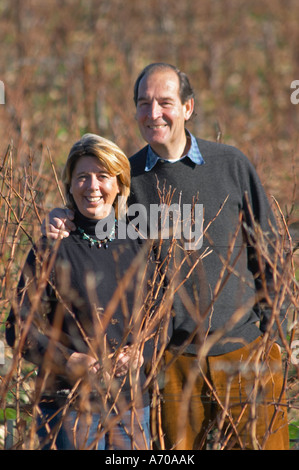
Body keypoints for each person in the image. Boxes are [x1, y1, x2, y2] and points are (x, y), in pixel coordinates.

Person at [39, 63, 290, 450]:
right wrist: (62, 217)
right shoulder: (129, 178)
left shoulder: (231, 164)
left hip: (246, 352)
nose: (153, 113)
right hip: (173, 362)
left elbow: (269, 251)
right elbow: (95, 216)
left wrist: (273, 336)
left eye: (165, 102)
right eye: (144, 103)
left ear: (188, 108)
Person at [6, 133, 165, 450]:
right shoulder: (51, 247)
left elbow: (164, 314)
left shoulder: (141, 244)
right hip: (67, 405)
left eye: (103, 176)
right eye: (82, 177)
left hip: (130, 404)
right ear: (70, 185)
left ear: (119, 184)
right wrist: (66, 360)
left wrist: (141, 352)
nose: (92, 187)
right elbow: (18, 327)